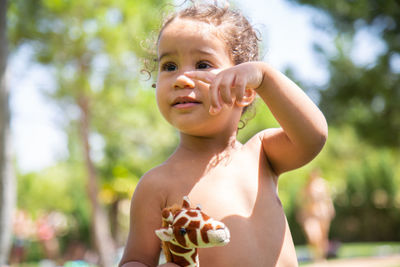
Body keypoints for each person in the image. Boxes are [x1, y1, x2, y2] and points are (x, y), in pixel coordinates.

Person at [119, 2, 328, 267]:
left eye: (203, 64)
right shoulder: (156, 184)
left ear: (246, 89)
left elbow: (314, 136)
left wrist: (265, 77)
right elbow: (135, 260)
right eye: (169, 66)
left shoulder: (261, 154)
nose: (182, 79)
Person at [297, 169, 335, 261]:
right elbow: (301, 202)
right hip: (310, 215)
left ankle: (321, 257)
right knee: (312, 235)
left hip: (322, 213)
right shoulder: (306, 187)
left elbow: (328, 199)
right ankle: (316, 255)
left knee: (323, 236)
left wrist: (330, 209)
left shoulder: (323, 185)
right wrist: (301, 213)